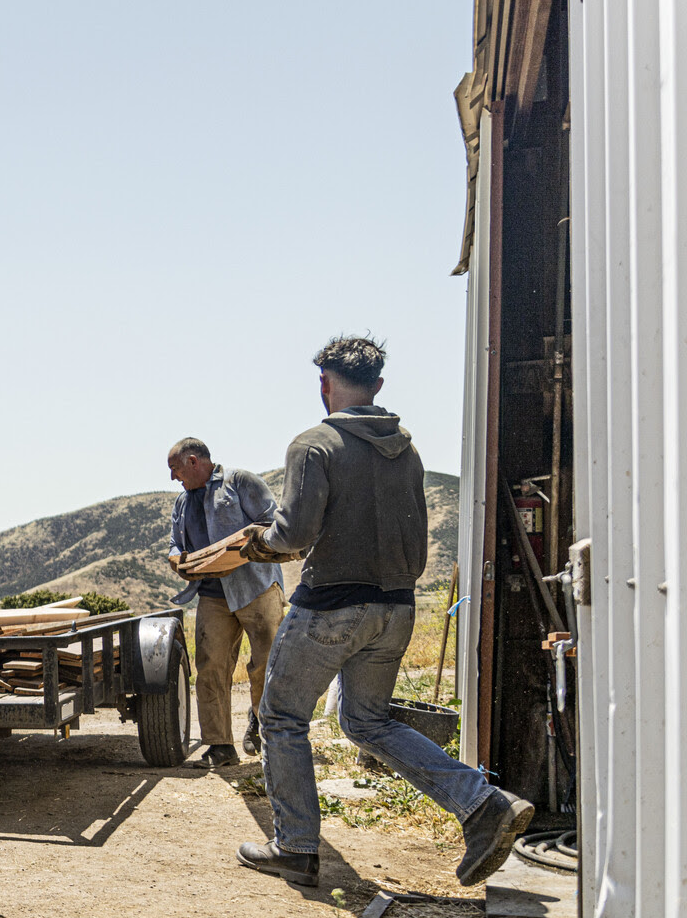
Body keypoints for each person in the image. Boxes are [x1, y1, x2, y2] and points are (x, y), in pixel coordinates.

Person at [235, 336, 532, 889]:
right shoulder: (408, 451)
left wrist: (261, 543)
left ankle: (296, 847)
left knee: (281, 718)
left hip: (329, 607)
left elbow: (296, 532)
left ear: (325, 384)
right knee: (367, 721)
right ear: (377, 386)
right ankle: (481, 803)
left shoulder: (313, 444)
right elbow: (414, 540)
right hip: (395, 607)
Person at [165, 438, 283, 768]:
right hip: (212, 596)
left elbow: (271, 521)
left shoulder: (240, 481)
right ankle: (220, 746)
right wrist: (177, 559)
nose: (174, 478)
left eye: (175, 469)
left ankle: (263, 726)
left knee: (265, 664)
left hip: (257, 588)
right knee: (211, 668)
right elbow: (175, 543)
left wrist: (238, 548)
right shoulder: (181, 503)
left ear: (192, 461)